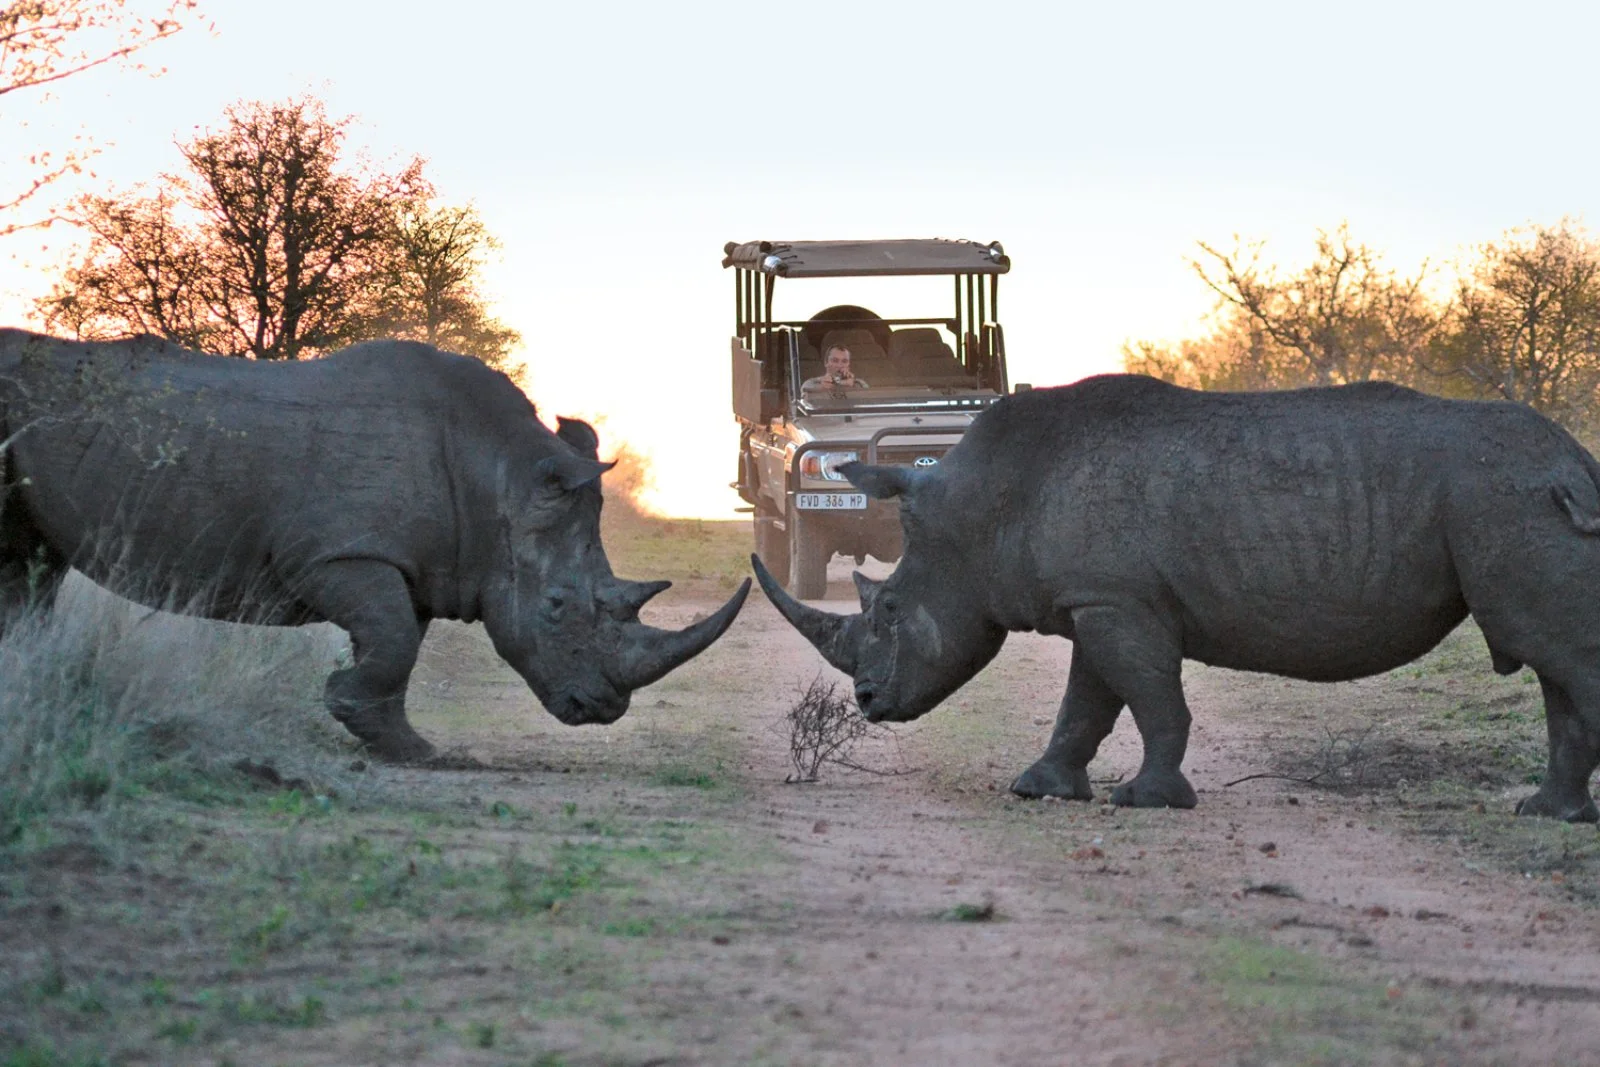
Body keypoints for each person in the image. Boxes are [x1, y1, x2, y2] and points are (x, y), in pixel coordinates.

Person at [802, 344, 870, 391]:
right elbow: (806, 391)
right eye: (835, 361)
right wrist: (822, 388)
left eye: (844, 361)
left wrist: (852, 387)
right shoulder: (811, 383)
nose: (840, 365)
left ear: (849, 364)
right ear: (826, 362)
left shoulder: (860, 384)